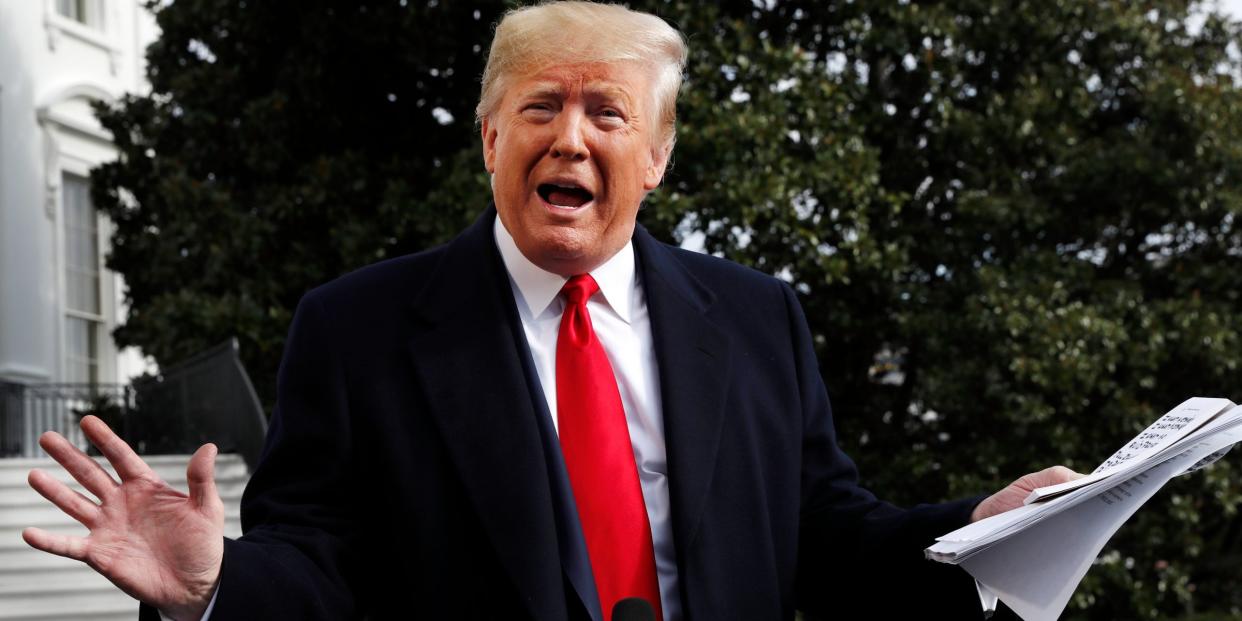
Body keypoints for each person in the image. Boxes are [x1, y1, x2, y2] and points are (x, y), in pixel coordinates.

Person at [23, 2, 1079, 620]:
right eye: (539, 107)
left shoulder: (759, 321)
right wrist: (215, 588)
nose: (569, 138)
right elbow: (319, 563)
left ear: (656, 157)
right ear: (491, 140)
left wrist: (978, 535)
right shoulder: (358, 330)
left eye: (606, 112)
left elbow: (828, 538)